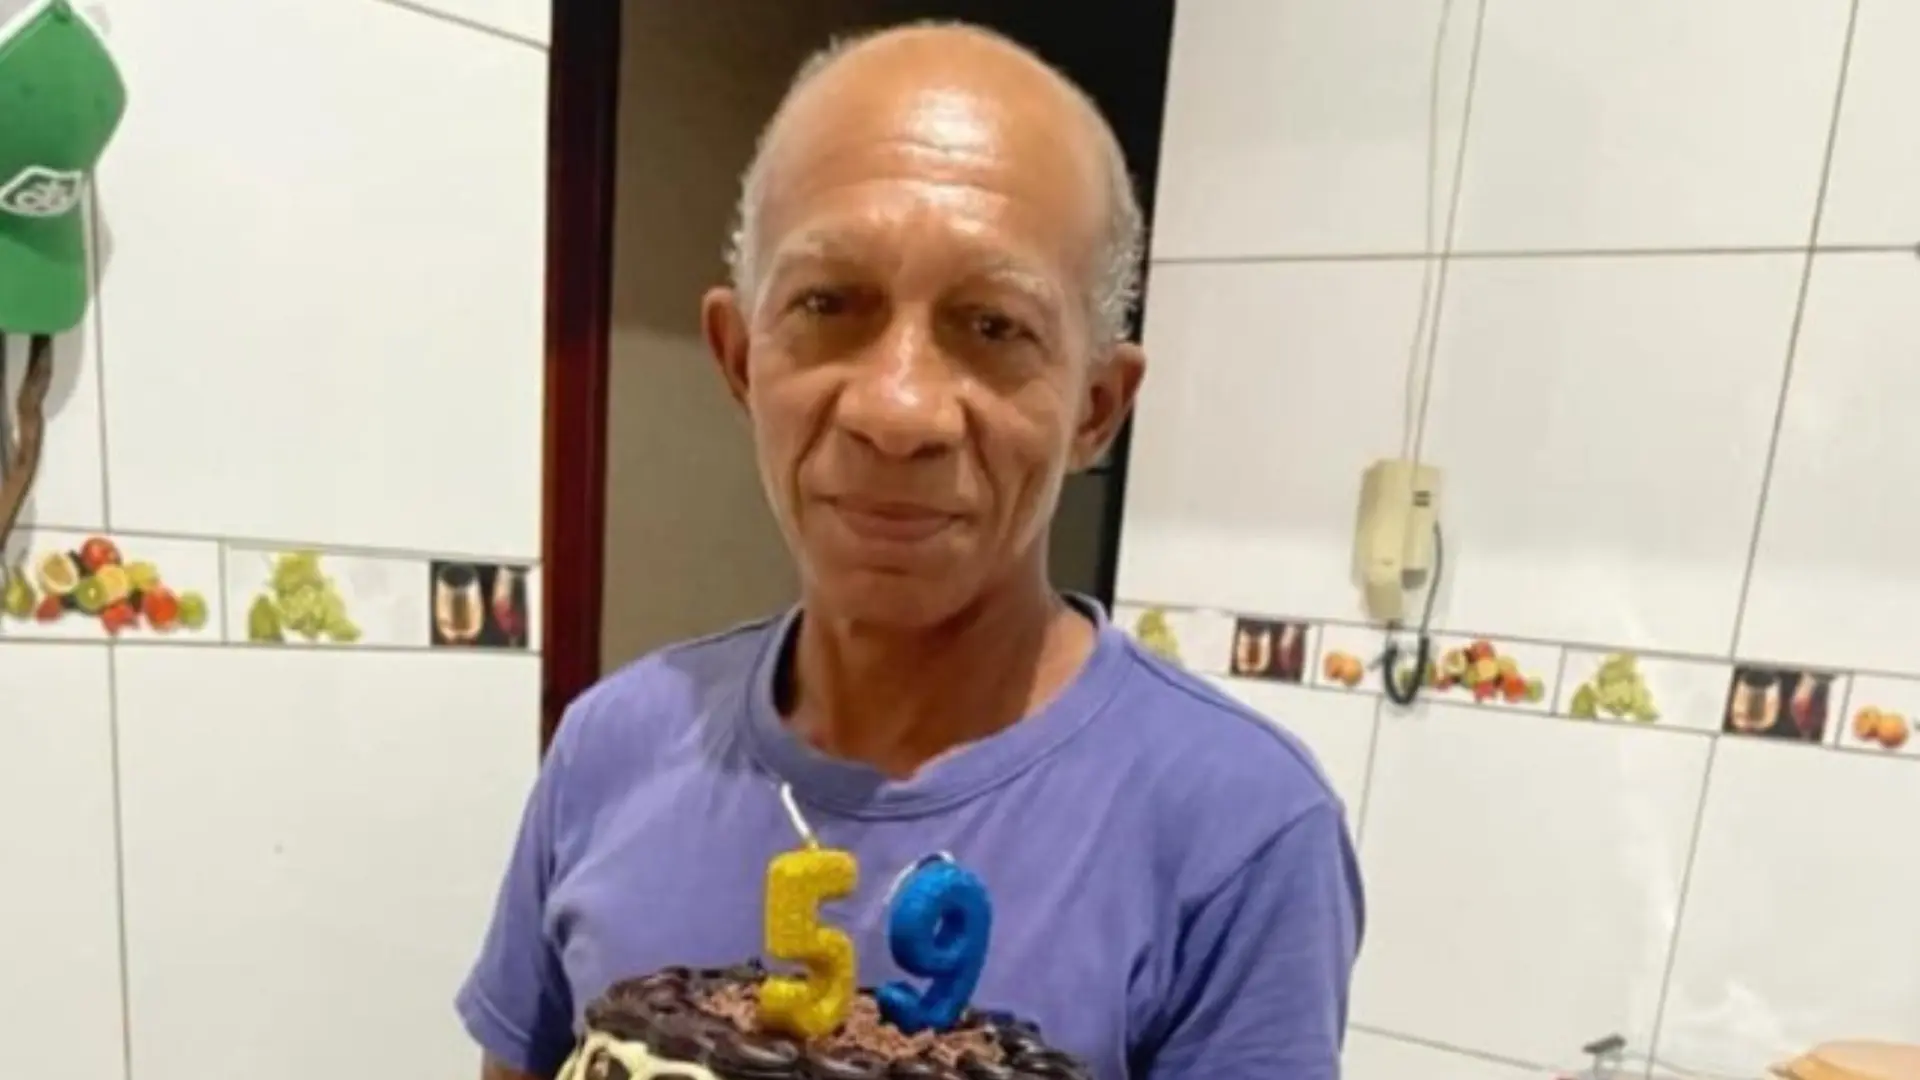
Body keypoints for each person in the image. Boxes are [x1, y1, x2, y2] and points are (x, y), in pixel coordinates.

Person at [459, 21, 1363, 1080]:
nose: (898, 411)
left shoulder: (1239, 832)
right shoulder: (609, 750)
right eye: (828, 304)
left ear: (1097, 408)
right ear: (740, 359)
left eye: (994, 326)